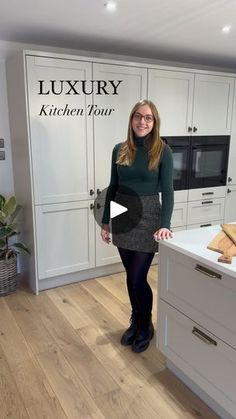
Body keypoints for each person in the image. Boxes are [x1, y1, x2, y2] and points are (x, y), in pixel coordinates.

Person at [101, 99, 174, 353]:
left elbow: (168, 190)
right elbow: (113, 186)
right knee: (130, 278)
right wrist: (105, 222)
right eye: (138, 116)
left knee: (137, 277)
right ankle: (136, 319)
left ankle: (146, 326)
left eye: (148, 118)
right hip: (122, 215)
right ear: (131, 119)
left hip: (148, 218)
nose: (142, 121)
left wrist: (165, 224)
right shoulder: (119, 149)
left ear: (154, 123)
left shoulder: (162, 151)